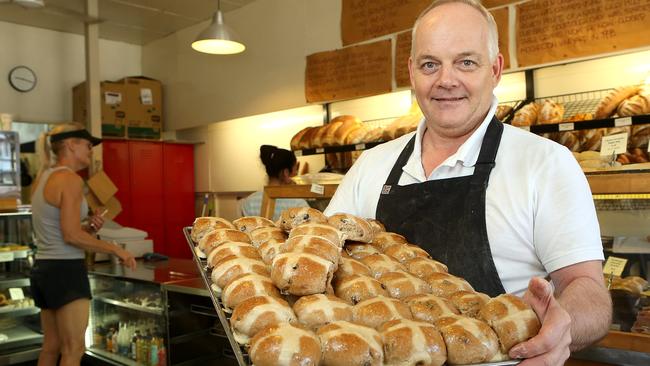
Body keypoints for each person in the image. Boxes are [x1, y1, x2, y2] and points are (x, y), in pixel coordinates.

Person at [325, 0, 611, 364]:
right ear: (412, 72)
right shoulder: (371, 165)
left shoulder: (545, 163)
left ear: (495, 69)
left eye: (466, 62)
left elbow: (588, 291)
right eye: (431, 64)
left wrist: (564, 324)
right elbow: (323, 256)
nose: (446, 80)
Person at [30, 123, 137, 366]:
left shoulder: (42, 178)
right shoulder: (70, 180)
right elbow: (70, 236)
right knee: (73, 349)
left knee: (51, 347)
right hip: (65, 271)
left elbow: (62, 230)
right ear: (71, 145)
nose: (91, 152)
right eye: (88, 146)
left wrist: (89, 226)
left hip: (44, 269)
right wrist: (116, 248)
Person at [241, 145, 309, 220]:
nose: (296, 175)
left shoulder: (250, 202)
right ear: (286, 173)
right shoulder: (298, 204)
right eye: (295, 170)